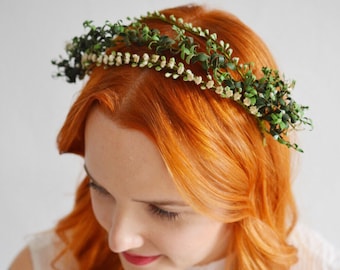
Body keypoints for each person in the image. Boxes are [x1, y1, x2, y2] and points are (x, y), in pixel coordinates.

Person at [10, 4, 340, 270]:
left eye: (163, 211)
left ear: (245, 191)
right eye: (100, 188)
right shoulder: (45, 264)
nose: (118, 239)